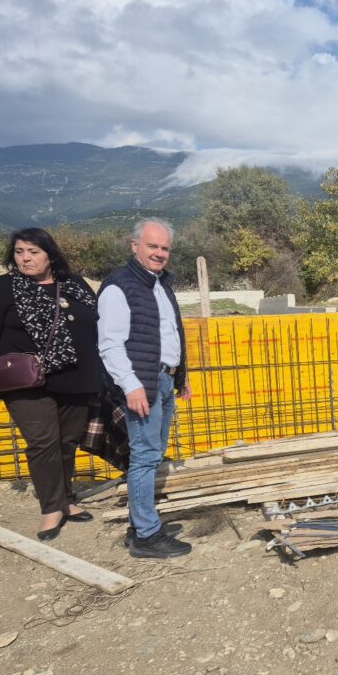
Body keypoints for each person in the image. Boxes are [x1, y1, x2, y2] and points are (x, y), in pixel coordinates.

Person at [0, 228, 102, 540]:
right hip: (26, 382)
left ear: (50, 255)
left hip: (76, 376)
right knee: (43, 443)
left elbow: (96, 324)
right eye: (19, 252)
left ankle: (66, 499)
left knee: (67, 441)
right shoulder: (0, 289)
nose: (25, 258)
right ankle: (51, 508)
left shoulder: (76, 285)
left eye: (33, 252)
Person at [98, 218, 193, 557]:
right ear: (135, 245)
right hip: (143, 383)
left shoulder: (159, 285)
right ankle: (146, 536)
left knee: (153, 453)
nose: (159, 253)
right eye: (152, 246)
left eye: (165, 248)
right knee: (145, 457)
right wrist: (132, 385)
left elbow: (169, 335)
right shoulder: (119, 287)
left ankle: (143, 521)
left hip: (163, 379)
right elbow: (110, 344)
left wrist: (180, 377)